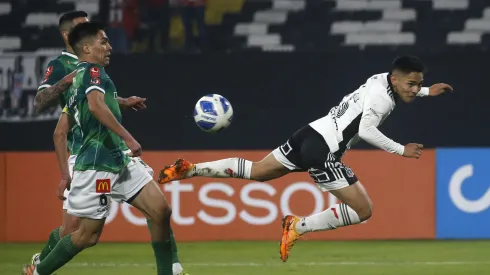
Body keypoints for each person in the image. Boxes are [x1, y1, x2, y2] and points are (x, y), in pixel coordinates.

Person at [157, 56, 454, 262]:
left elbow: (402, 88)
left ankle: (190, 169)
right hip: (322, 150)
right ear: (395, 80)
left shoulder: (379, 80)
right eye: (412, 84)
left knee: (259, 171)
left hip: (310, 132)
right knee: (364, 209)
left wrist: (428, 91)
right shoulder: (382, 98)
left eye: (418, 84)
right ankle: (298, 226)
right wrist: (401, 150)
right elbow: (366, 131)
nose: (414, 89)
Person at [31, 11, 189, 275]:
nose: (109, 46)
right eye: (103, 41)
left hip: (117, 156)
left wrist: (123, 103)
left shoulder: (87, 74)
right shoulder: (84, 71)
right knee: (83, 236)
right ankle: (38, 271)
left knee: (160, 210)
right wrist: (129, 137)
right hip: (95, 161)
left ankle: (169, 271)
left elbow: (65, 125)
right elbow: (92, 107)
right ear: (82, 44)